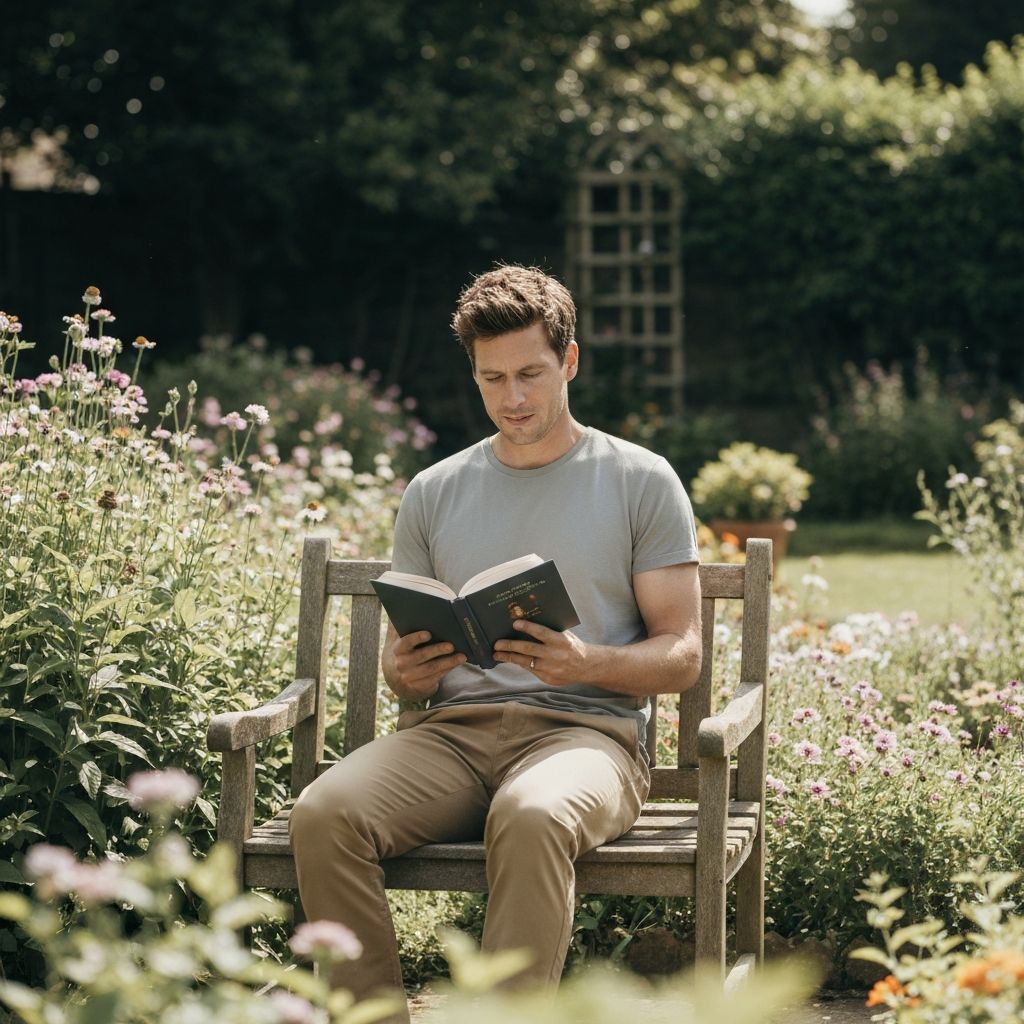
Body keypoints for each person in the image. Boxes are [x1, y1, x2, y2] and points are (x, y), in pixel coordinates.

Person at [289, 264, 702, 1020]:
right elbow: (402, 669)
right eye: (493, 379)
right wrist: (404, 670)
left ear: (569, 361)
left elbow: (682, 652)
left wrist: (589, 663)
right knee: (324, 813)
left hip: (586, 736)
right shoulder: (434, 490)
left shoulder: (640, 480)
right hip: (448, 739)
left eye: (531, 375)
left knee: (534, 814)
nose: (513, 399)